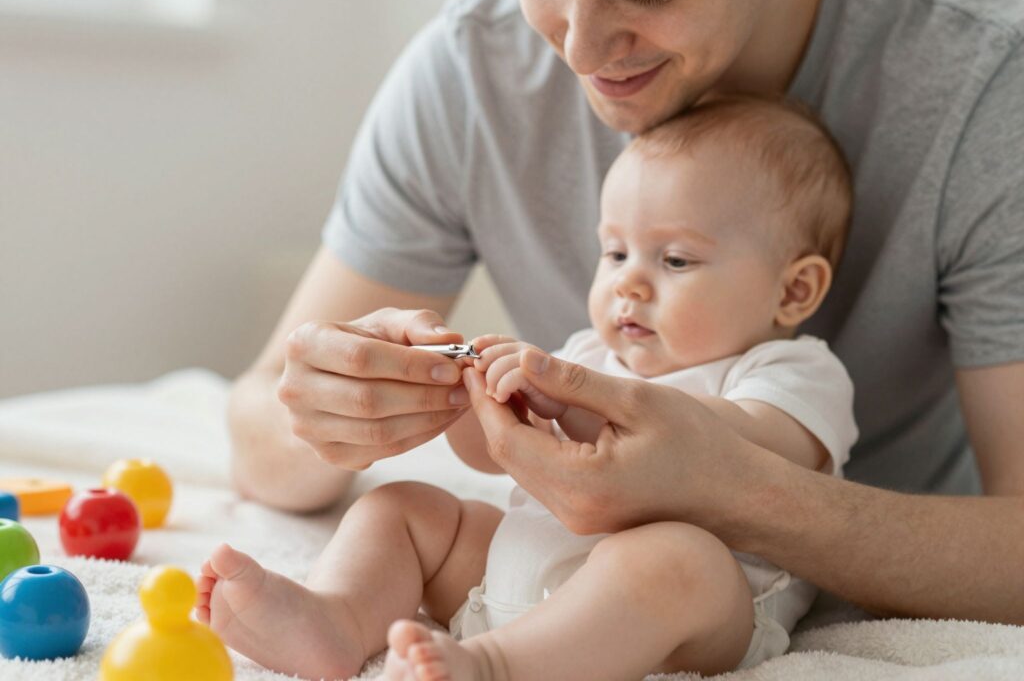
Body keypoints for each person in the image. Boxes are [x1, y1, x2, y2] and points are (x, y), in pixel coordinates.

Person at [227, 0, 1024, 625]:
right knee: (404, 510)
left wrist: (734, 491)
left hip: (738, 581)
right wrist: (356, 407)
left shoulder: (984, 88)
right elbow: (262, 424)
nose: (580, 48)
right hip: (551, 565)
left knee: (667, 570)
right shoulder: (468, 73)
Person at [198, 97, 858, 680]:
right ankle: (336, 620)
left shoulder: (790, 371)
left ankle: (495, 666)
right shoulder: (590, 353)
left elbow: (744, 448)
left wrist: (579, 406)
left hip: (684, 615)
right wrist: (469, 400)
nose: (628, 283)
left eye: (675, 259)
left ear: (793, 289)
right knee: (404, 508)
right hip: (513, 578)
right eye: (615, 253)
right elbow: (494, 457)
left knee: (674, 560)